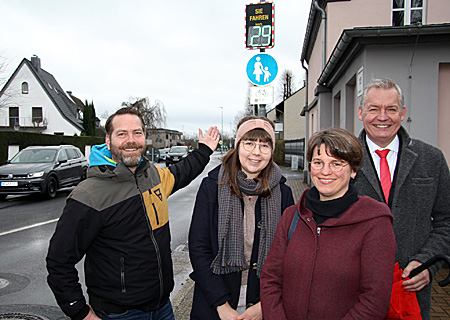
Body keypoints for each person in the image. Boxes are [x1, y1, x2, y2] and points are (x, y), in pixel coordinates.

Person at [46, 107, 220, 320]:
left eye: (137, 133)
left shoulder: (153, 176)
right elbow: (59, 260)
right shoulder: (88, 195)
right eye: (122, 134)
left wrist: (204, 150)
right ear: (108, 141)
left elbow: (182, 172)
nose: (131, 140)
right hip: (119, 314)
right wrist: (80, 312)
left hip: (163, 307)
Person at [260, 128, 396, 319]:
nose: (325, 171)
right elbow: (271, 279)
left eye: (336, 164)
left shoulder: (375, 222)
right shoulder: (292, 216)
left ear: (354, 170)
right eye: (318, 162)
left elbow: (374, 301)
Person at [354, 78, 450, 320]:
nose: (382, 117)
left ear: (403, 113)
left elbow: (446, 221)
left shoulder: (431, 159)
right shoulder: (342, 159)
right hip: (354, 292)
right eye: (374, 109)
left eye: (391, 109)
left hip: (411, 291)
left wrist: (429, 264)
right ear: (360, 112)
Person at [188, 116, 294, 320]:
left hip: (264, 301)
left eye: (264, 145)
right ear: (237, 146)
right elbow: (199, 248)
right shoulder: (212, 186)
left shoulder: (284, 193)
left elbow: (289, 254)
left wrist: (267, 304)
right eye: (249, 143)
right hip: (215, 301)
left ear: (271, 151)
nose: (256, 152)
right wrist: (221, 305)